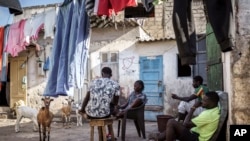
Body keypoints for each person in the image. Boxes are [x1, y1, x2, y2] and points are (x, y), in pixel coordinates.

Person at [149, 91, 220, 141]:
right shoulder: (215, 110)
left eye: (205, 101)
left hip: (197, 139)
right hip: (195, 133)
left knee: (171, 122)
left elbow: (186, 124)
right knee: (173, 128)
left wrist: (193, 108)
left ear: (212, 102)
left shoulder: (208, 114)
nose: (202, 102)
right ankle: (158, 138)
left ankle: (158, 138)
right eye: (202, 100)